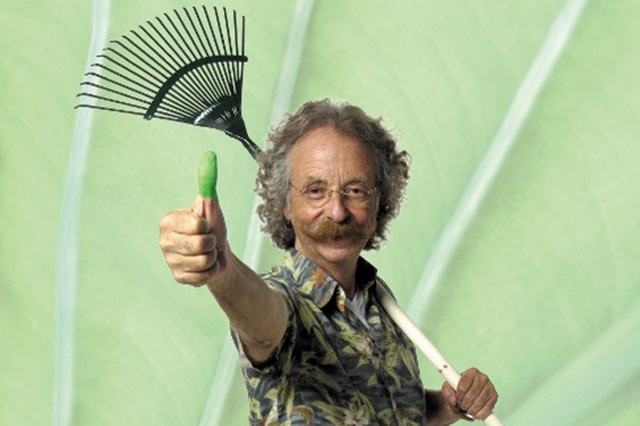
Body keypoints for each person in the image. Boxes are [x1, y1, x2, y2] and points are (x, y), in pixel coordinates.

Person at [159, 99, 498, 425]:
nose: (337, 211)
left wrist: (449, 406)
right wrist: (222, 269)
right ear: (286, 205)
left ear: (379, 202)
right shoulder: (285, 300)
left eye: (355, 190)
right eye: (315, 191)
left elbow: (387, 410)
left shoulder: (377, 299)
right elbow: (262, 328)